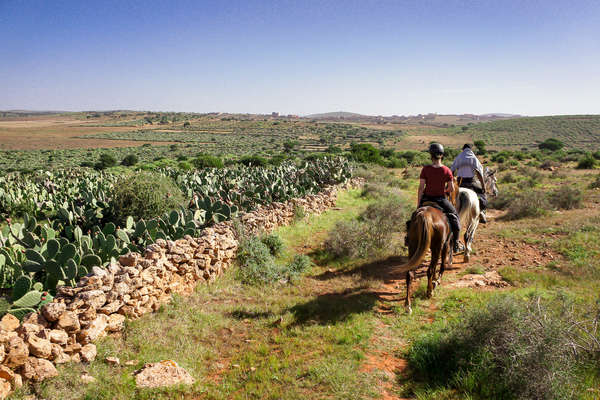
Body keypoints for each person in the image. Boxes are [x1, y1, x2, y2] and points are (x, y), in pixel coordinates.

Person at [416, 143, 461, 253]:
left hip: (427, 199)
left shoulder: (425, 169)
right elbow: (451, 188)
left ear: (431, 155)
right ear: (442, 155)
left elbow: (421, 188)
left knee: (414, 217)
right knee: (455, 217)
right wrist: (444, 190)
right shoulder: (447, 170)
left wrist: (419, 203)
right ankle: (456, 243)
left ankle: (408, 239)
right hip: (441, 200)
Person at [451, 143, 488, 223]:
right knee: (482, 195)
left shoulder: (459, 157)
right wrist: (483, 186)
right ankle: (481, 212)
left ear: (463, 149)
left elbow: (452, 170)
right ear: (471, 149)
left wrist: (451, 182)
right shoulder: (473, 158)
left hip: (459, 182)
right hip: (470, 182)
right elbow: (479, 173)